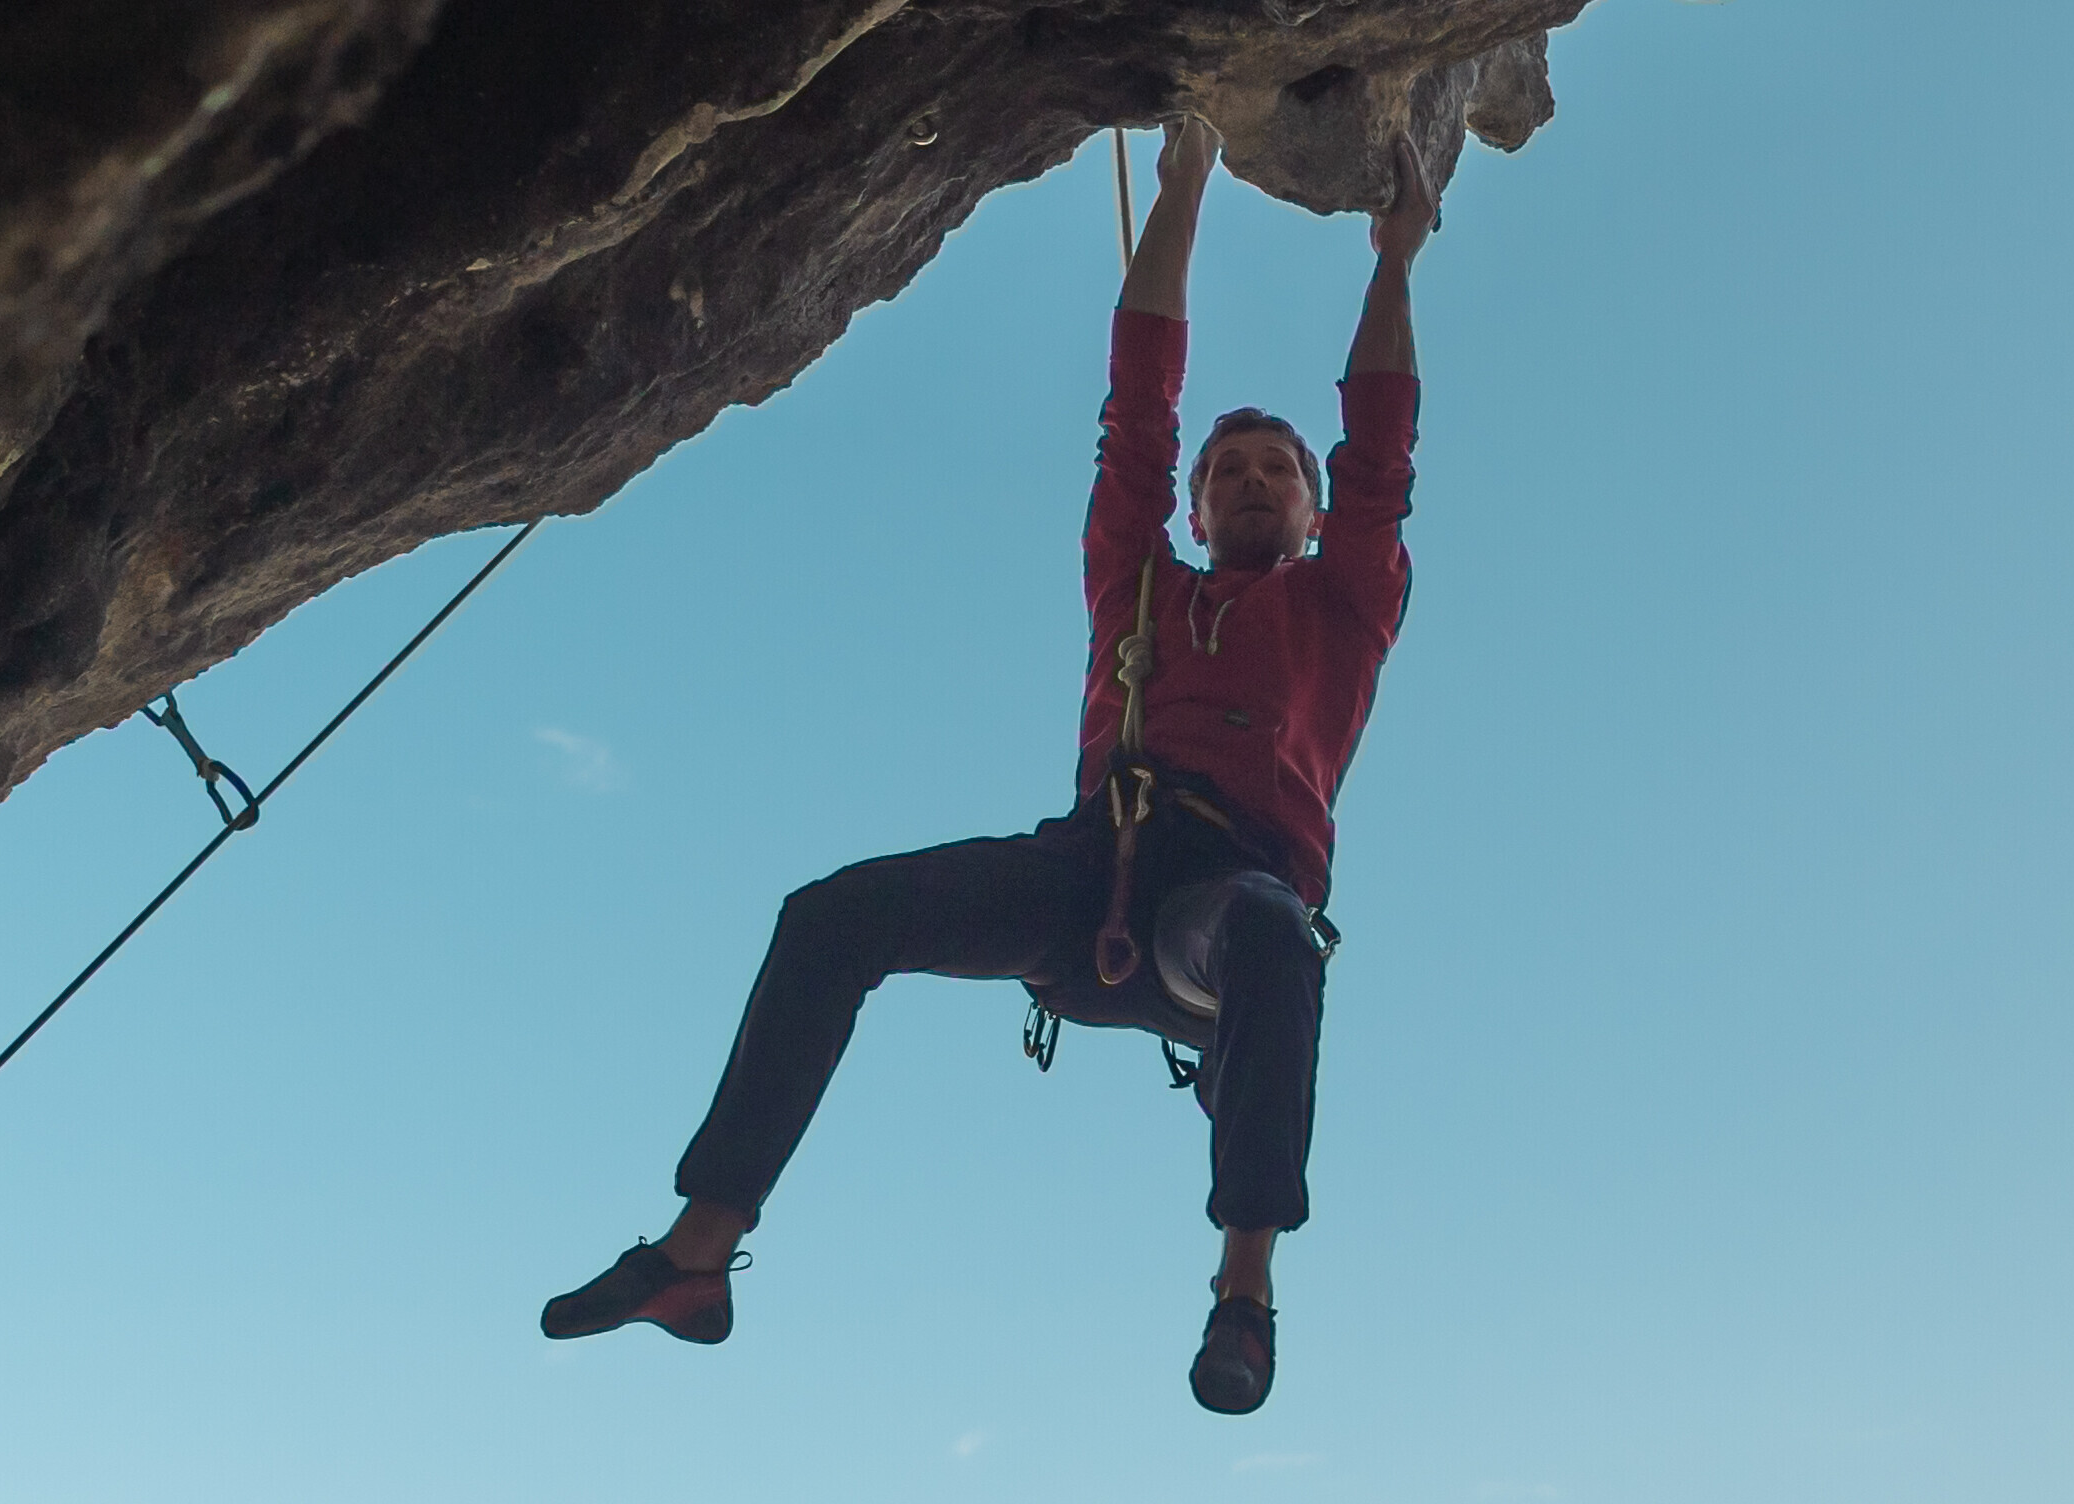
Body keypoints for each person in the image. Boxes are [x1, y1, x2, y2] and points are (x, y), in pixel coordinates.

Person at [537, 116, 1436, 1417]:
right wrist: (1180, 188)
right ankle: (697, 1251)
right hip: (1089, 880)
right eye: (1228, 470)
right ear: (1191, 513)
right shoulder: (1137, 584)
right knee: (831, 916)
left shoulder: (1341, 608)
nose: (1252, 480)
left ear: (1308, 511)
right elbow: (1139, 408)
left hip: (1217, 916)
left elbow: (1384, 459)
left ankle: (1244, 1290)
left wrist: (1393, 260)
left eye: (1278, 471)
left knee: (1271, 932)